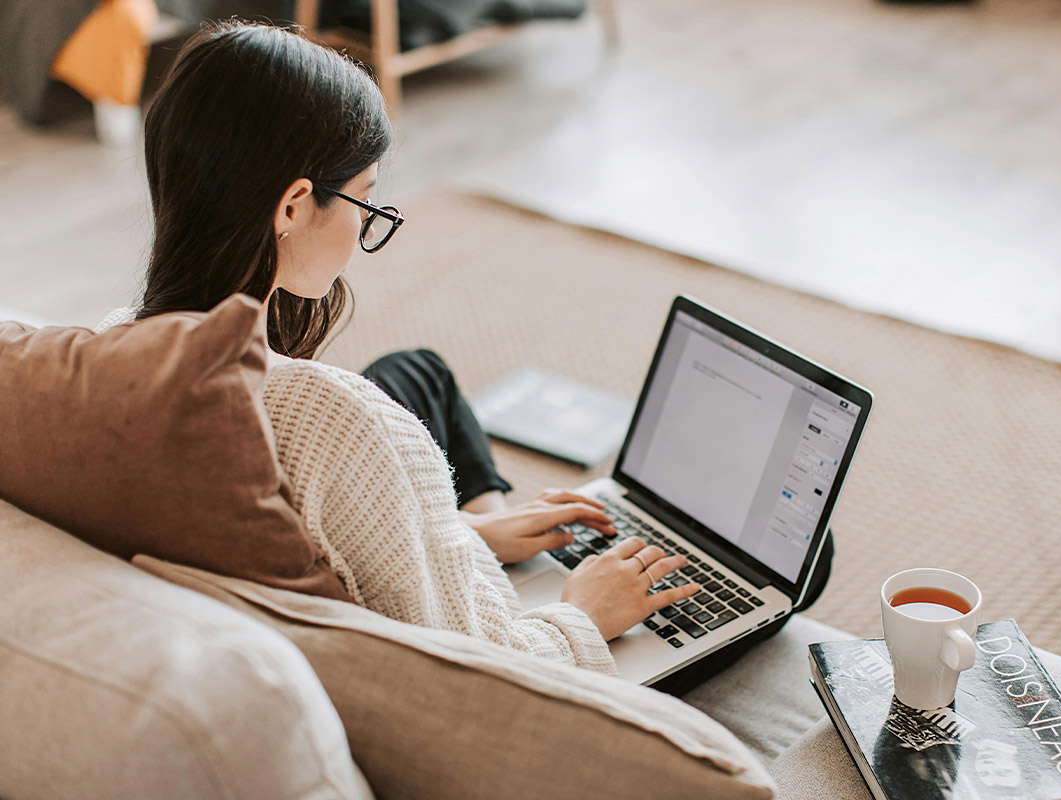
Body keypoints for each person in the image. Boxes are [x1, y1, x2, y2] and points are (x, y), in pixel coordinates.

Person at [100, 20, 831, 688]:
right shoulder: (342, 423)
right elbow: (481, 673)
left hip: (391, 521)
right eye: (365, 200)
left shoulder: (106, 348)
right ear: (292, 206)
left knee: (418, 371)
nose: (366, 227)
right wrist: (583, 612)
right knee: (804, 559)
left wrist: (468, 533)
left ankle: (498, 519)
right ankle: (516, 549)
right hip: (511, 659)